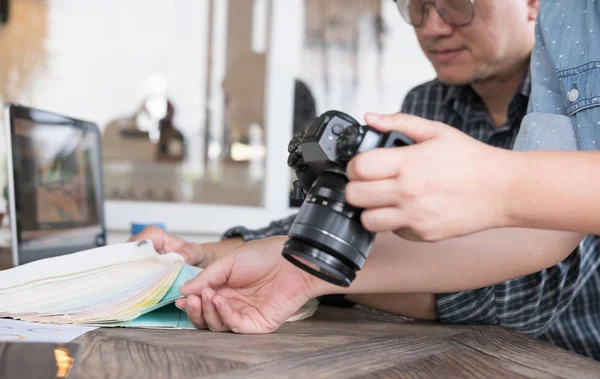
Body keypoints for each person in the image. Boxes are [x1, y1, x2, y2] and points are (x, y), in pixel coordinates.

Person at [132, 0, 600, 360]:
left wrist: (494, 186)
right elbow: (536, 235)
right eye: (414, 7)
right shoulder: (436, 99)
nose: (432, 26)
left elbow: (534, 283)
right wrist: (294, 267)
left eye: (457, 2)